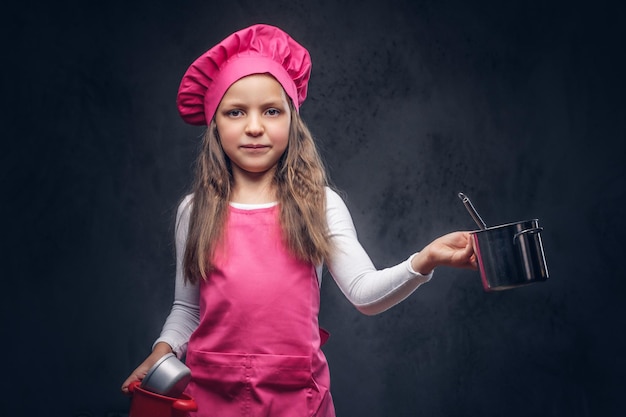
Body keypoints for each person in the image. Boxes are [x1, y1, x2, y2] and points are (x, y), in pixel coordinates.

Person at [121, 24, 476, 417]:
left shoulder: (320, 205)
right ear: (215, 124)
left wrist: (423, 261)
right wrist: (161, 352)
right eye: (235, 112)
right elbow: (187, 310)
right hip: (208, 401)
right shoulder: (195, 210)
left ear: (292, 119)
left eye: (271, 111)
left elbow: (364, 293)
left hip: (296, 400)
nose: (254, 126)